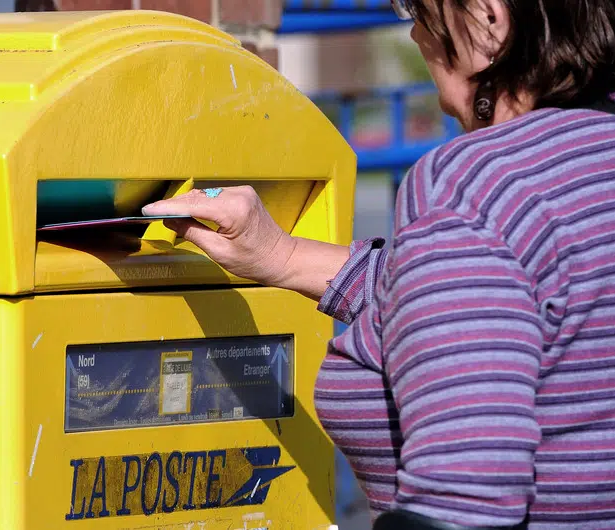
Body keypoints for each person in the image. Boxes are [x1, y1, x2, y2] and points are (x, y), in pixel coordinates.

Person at [143, 0, 615, 528]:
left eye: (417, 7)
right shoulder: (588, 168)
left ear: (488, 15)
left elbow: (463, 499)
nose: (414, 32)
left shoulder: (473, 185)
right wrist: (281, 255)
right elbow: (486, 301)